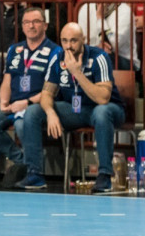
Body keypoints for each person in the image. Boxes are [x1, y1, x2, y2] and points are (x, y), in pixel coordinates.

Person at [17, 22, 125, 193]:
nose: (68, 46)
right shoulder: (57, 58)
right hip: (75, 110)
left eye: (73, 41)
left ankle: (105, 175)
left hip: (108, 110)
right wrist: (51, 113)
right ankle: (35, 174)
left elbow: (103, 98)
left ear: (83, 40)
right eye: (64, 41)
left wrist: (76, 72)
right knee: (33, 111)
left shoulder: (99, 57)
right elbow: (46, 93)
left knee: (101, 112)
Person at [0, 6, 60, 188]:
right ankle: (22, 161)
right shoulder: (14, 50)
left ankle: (35, 171)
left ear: (45, 25)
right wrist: (3, 101)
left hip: (37, 104)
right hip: (13, 104)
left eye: (36, 22)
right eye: (26, 22)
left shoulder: (55, 51)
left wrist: (26, 102)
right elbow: (7, 80)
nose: (31, 26)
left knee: (21, 124)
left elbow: (53, 89)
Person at [77, 0, 138, 71]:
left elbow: (112, 45)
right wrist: (95, 49)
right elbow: (82, 40)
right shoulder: (85, 8)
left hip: (124, 60)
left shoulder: (125, 11)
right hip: (93, 55)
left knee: (104, 56)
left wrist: (100, 18)